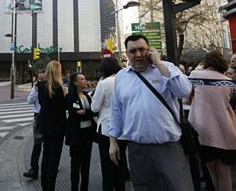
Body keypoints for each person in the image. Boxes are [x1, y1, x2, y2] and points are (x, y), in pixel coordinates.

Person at [109, 34, 193, 191]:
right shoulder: (121, 77)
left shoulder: (166, 68)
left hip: (168, 147)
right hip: (137, 150)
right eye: (133, 51)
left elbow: (183, 91)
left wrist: (159, 64)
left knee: (178, 187)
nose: (138, 54)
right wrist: (113, 141)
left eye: (142, 49)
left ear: (150, 50)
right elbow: (116, 111)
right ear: (127, 54)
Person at [188, 51, 236, 191]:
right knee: (225, 173)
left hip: (204, 132)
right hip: (226, 130)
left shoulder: (195, 75)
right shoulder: (228, 81)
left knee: (212, 172)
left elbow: (186, 97)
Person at [91, 57, 128, 191]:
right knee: (121, 162)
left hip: (106, 128)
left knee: (107, 165)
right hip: (124, 129)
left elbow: (94, 107)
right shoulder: (125, 80)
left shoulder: (104, 83)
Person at [38, 60, 67, 191]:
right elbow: (62, 108)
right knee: (54, 159)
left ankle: (44, 185)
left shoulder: (41, 85)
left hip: (44, 125)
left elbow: (42, 104)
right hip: (57, 127)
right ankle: (51, 187)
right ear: (57, 71)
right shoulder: (58, 87)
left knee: (46, 156)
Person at [65, 72, 96, 191]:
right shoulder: (70, 96)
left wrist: (86, 112)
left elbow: (94, 110)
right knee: (75, 164)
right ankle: (74, 188)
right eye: (82, 79)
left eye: (85, 78)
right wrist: (86, 112)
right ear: (75, 82)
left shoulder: (87, 96)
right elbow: (74, 113)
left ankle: (84, 188)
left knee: (86, 163)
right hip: (76, 135)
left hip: (88, 134)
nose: (85, 81)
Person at [23, 69, 46, 180]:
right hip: (38, 117)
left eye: (43, 79)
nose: (41, 81)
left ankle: (47, 167)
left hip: (48, 118)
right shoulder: (36, 88)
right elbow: (29, 101)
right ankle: (34, 169)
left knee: (48, 146)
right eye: (39, 78)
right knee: (37, 145)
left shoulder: (50, 88)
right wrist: (36, 90)